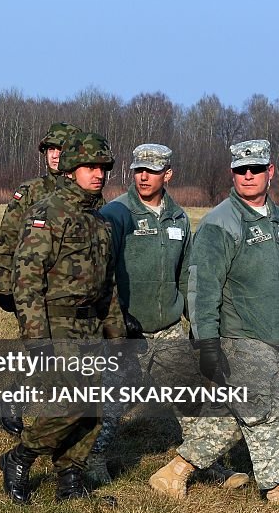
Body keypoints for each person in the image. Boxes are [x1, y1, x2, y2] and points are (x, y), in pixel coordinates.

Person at [149, 139, 279, 513]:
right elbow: (202, 288)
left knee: (227, 416)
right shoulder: (221, 223)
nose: (249, 176)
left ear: (270, 171)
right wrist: (207, 342)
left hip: (272, 334)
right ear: (233, 174)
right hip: (239, 335)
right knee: (266, 412)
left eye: (256, 169)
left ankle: (174, 473)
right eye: (242, 170)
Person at [86, 144, 249, 491]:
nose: (143, 176)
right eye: (138, 170)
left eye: (152, 171)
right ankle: (93, 461)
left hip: (169, 328)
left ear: (168, 174)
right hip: (125, 330)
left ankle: (203, 464)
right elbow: (102, 273)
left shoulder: (178, 217)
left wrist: (198, 324)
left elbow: (186, 275)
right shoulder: (117, 213)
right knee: (110, 404)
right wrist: (115, 320)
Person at [0, 132, 124, 505]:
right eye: (89, 167)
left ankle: (71, 477)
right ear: (70, 171)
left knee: (94, 408)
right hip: (57, 321)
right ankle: (20, 456)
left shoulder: (100, 222)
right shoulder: (48, 214)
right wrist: (37, 338)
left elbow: (108, 283)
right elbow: (27, 280)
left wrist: (115, 332)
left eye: (102, 168)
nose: (97, 174)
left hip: (89, 324)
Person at [0, 122, 82, 435]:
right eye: (51, 149)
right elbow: (7, 239)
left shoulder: (89, 194)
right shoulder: (31, 191)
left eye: (62, 149)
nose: (56, 155)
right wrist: (4, 286)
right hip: (33, 287)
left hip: (71, 291)